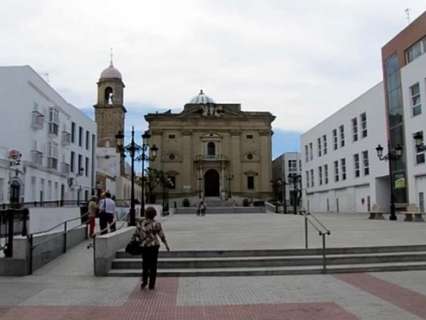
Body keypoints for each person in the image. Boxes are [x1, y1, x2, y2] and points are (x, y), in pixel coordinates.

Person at [133, 206, 170, 290]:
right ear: (154, 215)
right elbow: (161, 235)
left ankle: (144, 281)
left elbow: (136, 234)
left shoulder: (141, 223)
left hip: (145, 246)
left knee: (145, 264)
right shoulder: (156, 224)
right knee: (153, 265)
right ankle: (152, 284)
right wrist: (166, 245)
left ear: (146, 214)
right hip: (154, 246)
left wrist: (135, 241)